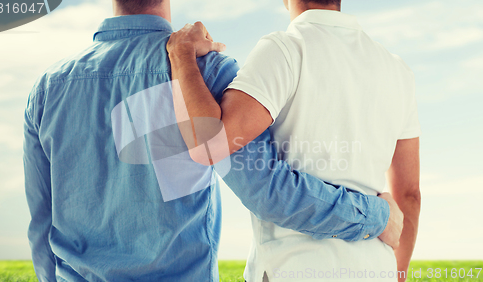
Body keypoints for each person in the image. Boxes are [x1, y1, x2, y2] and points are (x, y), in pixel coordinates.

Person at [23, 0, 403, 281]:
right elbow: (268, 191)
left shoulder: (46, 89)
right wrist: (375, 216)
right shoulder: (206, 72)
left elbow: (41, 224)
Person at [166, 0, 421, 282]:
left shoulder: (286, 49)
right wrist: (397, 271)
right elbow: (409, 195)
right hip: (375, 268)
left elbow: (210, 145)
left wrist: (182, 55)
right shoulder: (398, 71)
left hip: (292, 268)